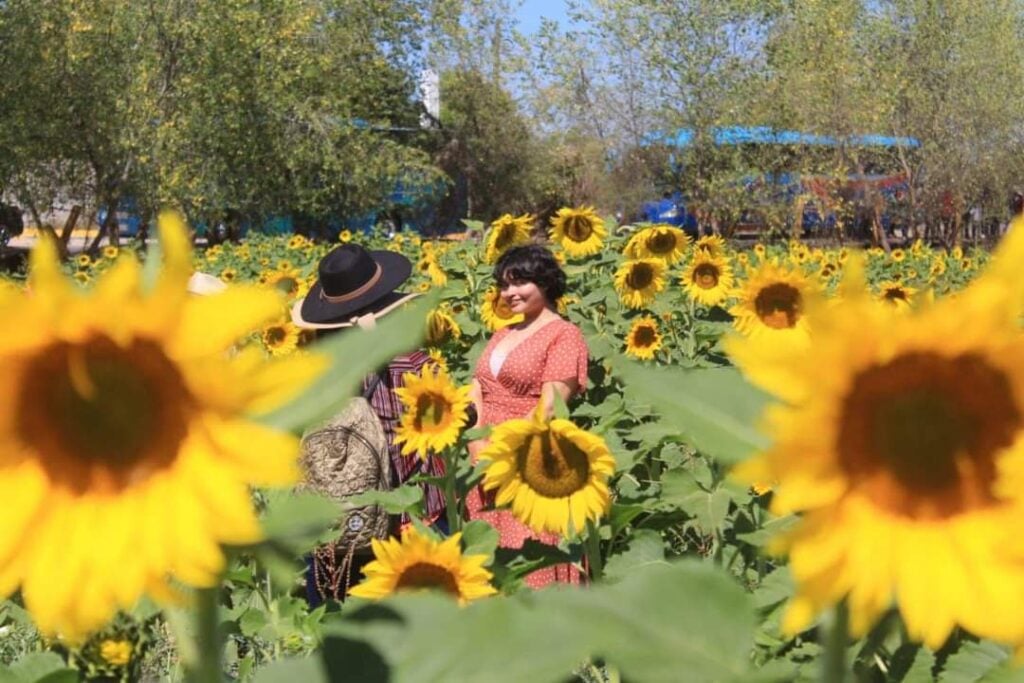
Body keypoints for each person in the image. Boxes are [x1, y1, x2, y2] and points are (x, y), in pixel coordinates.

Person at [291, 242, 446, 604]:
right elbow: (449, 422)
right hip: (410, 508)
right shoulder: (412, 363)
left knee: (334, 610)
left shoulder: (318, 366)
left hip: (339, 510)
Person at [466, 244, 589, 589]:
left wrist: (502, 457)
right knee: (487, 559)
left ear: (545, 283)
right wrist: (477, 444)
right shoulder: (503, 333)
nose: (509, 293)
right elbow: (477, 388)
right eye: (504, 285)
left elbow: (550, 407)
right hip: (483, 461)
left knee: (527, 557)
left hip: (528, 461)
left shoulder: (565, 335)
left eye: (519, 282)